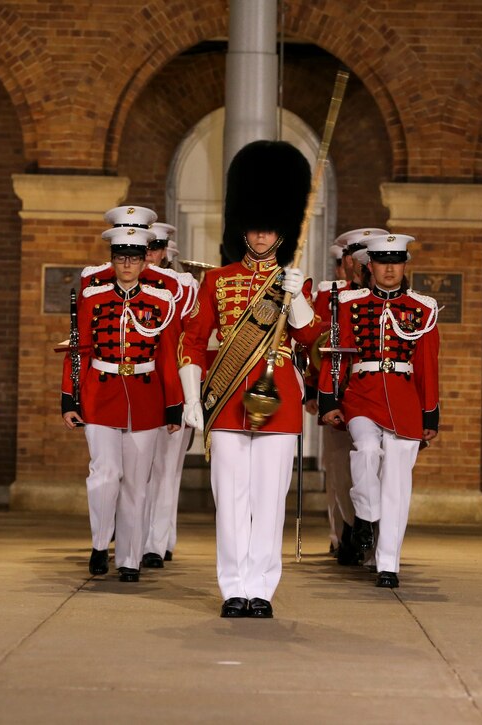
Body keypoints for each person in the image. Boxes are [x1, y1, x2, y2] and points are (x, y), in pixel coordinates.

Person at [178, 140, 317, 618]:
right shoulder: (216, 280)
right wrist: (193, 397)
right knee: (230, 498)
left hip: (277, 398)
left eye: (268, 229)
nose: (259, 237)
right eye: (254, 228)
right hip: (227, 395)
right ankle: (233, 587)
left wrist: (297, 296)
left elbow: (309, 335)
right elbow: (194, 340)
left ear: (280, 231)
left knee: (269, 498)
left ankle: (262, 588)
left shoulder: (296, 281)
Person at [62, 222, 183, 583]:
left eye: (133, 258)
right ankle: (100, 542)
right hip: (100, 392)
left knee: (135, 482)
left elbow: (167, 357)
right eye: (120, 257)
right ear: (112, 260)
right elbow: (78, 349)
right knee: (104, 473)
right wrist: (69, 398)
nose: (127, 264)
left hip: (145, 398)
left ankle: (129, 558)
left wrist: (173, 405)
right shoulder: (93, 298)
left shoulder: (161, 301)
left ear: (145, 261)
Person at [318, 233, 440, 588]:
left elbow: (428, 365)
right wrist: (328, 400)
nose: (390, 268)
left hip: (405, 400)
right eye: (383, 262)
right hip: (362, 394)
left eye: (396, 262)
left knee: (398, 484)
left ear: (404, 265)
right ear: (369, 266)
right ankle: (367, 517)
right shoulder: (349, 303)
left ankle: (388, 564)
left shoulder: (423, 307)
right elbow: (336, 353)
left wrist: (430, 414)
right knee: (367, 451)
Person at [313, 227, 386, 564]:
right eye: (353, 258)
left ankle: (373, 541)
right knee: (341, 468)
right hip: (341, 394)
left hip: (379, 395)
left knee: (381, 470)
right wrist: (317, 393)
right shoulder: (331, 297)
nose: (359, 265)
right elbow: (317, 346)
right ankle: (347, 530)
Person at [140, 220, 198, 569]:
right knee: (133, 470)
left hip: (172, 384)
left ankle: (156, 542)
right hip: (135, 385)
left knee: (165, 470)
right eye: (146, 248)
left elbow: (191, 340)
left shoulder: (182, 286)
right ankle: (137, 535)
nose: (151, 254)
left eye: (156, 248)